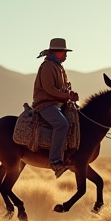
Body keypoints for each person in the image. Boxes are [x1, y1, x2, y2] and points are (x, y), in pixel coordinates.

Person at [32, 38, 79, 178]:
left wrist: (69, 95)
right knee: (62, 124)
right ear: (56, 52)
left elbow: (62, 88)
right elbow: (48, 88)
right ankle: (55, 161)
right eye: (64, 52)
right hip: (46, 104)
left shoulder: (58, 67)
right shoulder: (47, 66)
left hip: (58, 104)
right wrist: (66, 96)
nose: (66, 54)